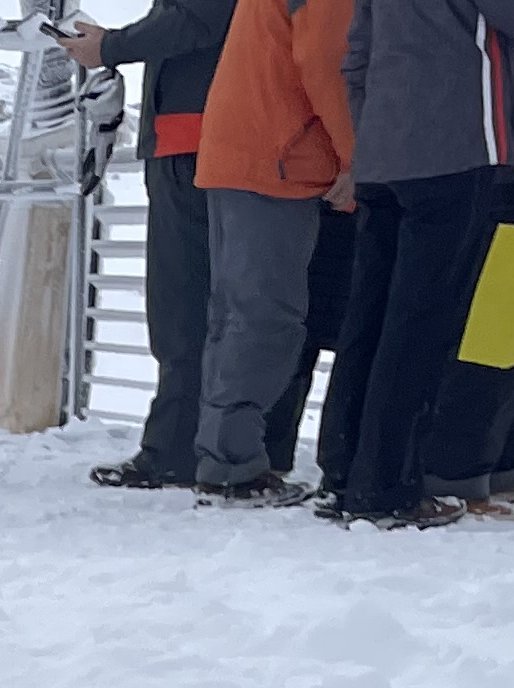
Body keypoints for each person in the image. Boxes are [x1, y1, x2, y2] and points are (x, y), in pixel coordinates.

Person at [317, 0, 514, 528]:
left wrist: (374, 133)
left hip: (386, 150)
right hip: (456, 147)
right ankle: (386, 486)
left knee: (369, 316)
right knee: (422, 322)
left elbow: (355, 54)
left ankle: (343, 469)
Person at [65, 0, 243, 489]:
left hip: (196, 137)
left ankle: (179, 446)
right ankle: (213, 441)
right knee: (203, 300)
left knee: (184, 299)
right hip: (198, 136)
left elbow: (196, 19)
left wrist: (111, 47)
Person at [190, 0, 362, 500]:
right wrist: (356, 158)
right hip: (279, 159)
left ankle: (222, 455)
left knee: (233, 315)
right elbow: (326, 62)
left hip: (237, 153)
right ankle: (233, 465)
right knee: (266, 318)